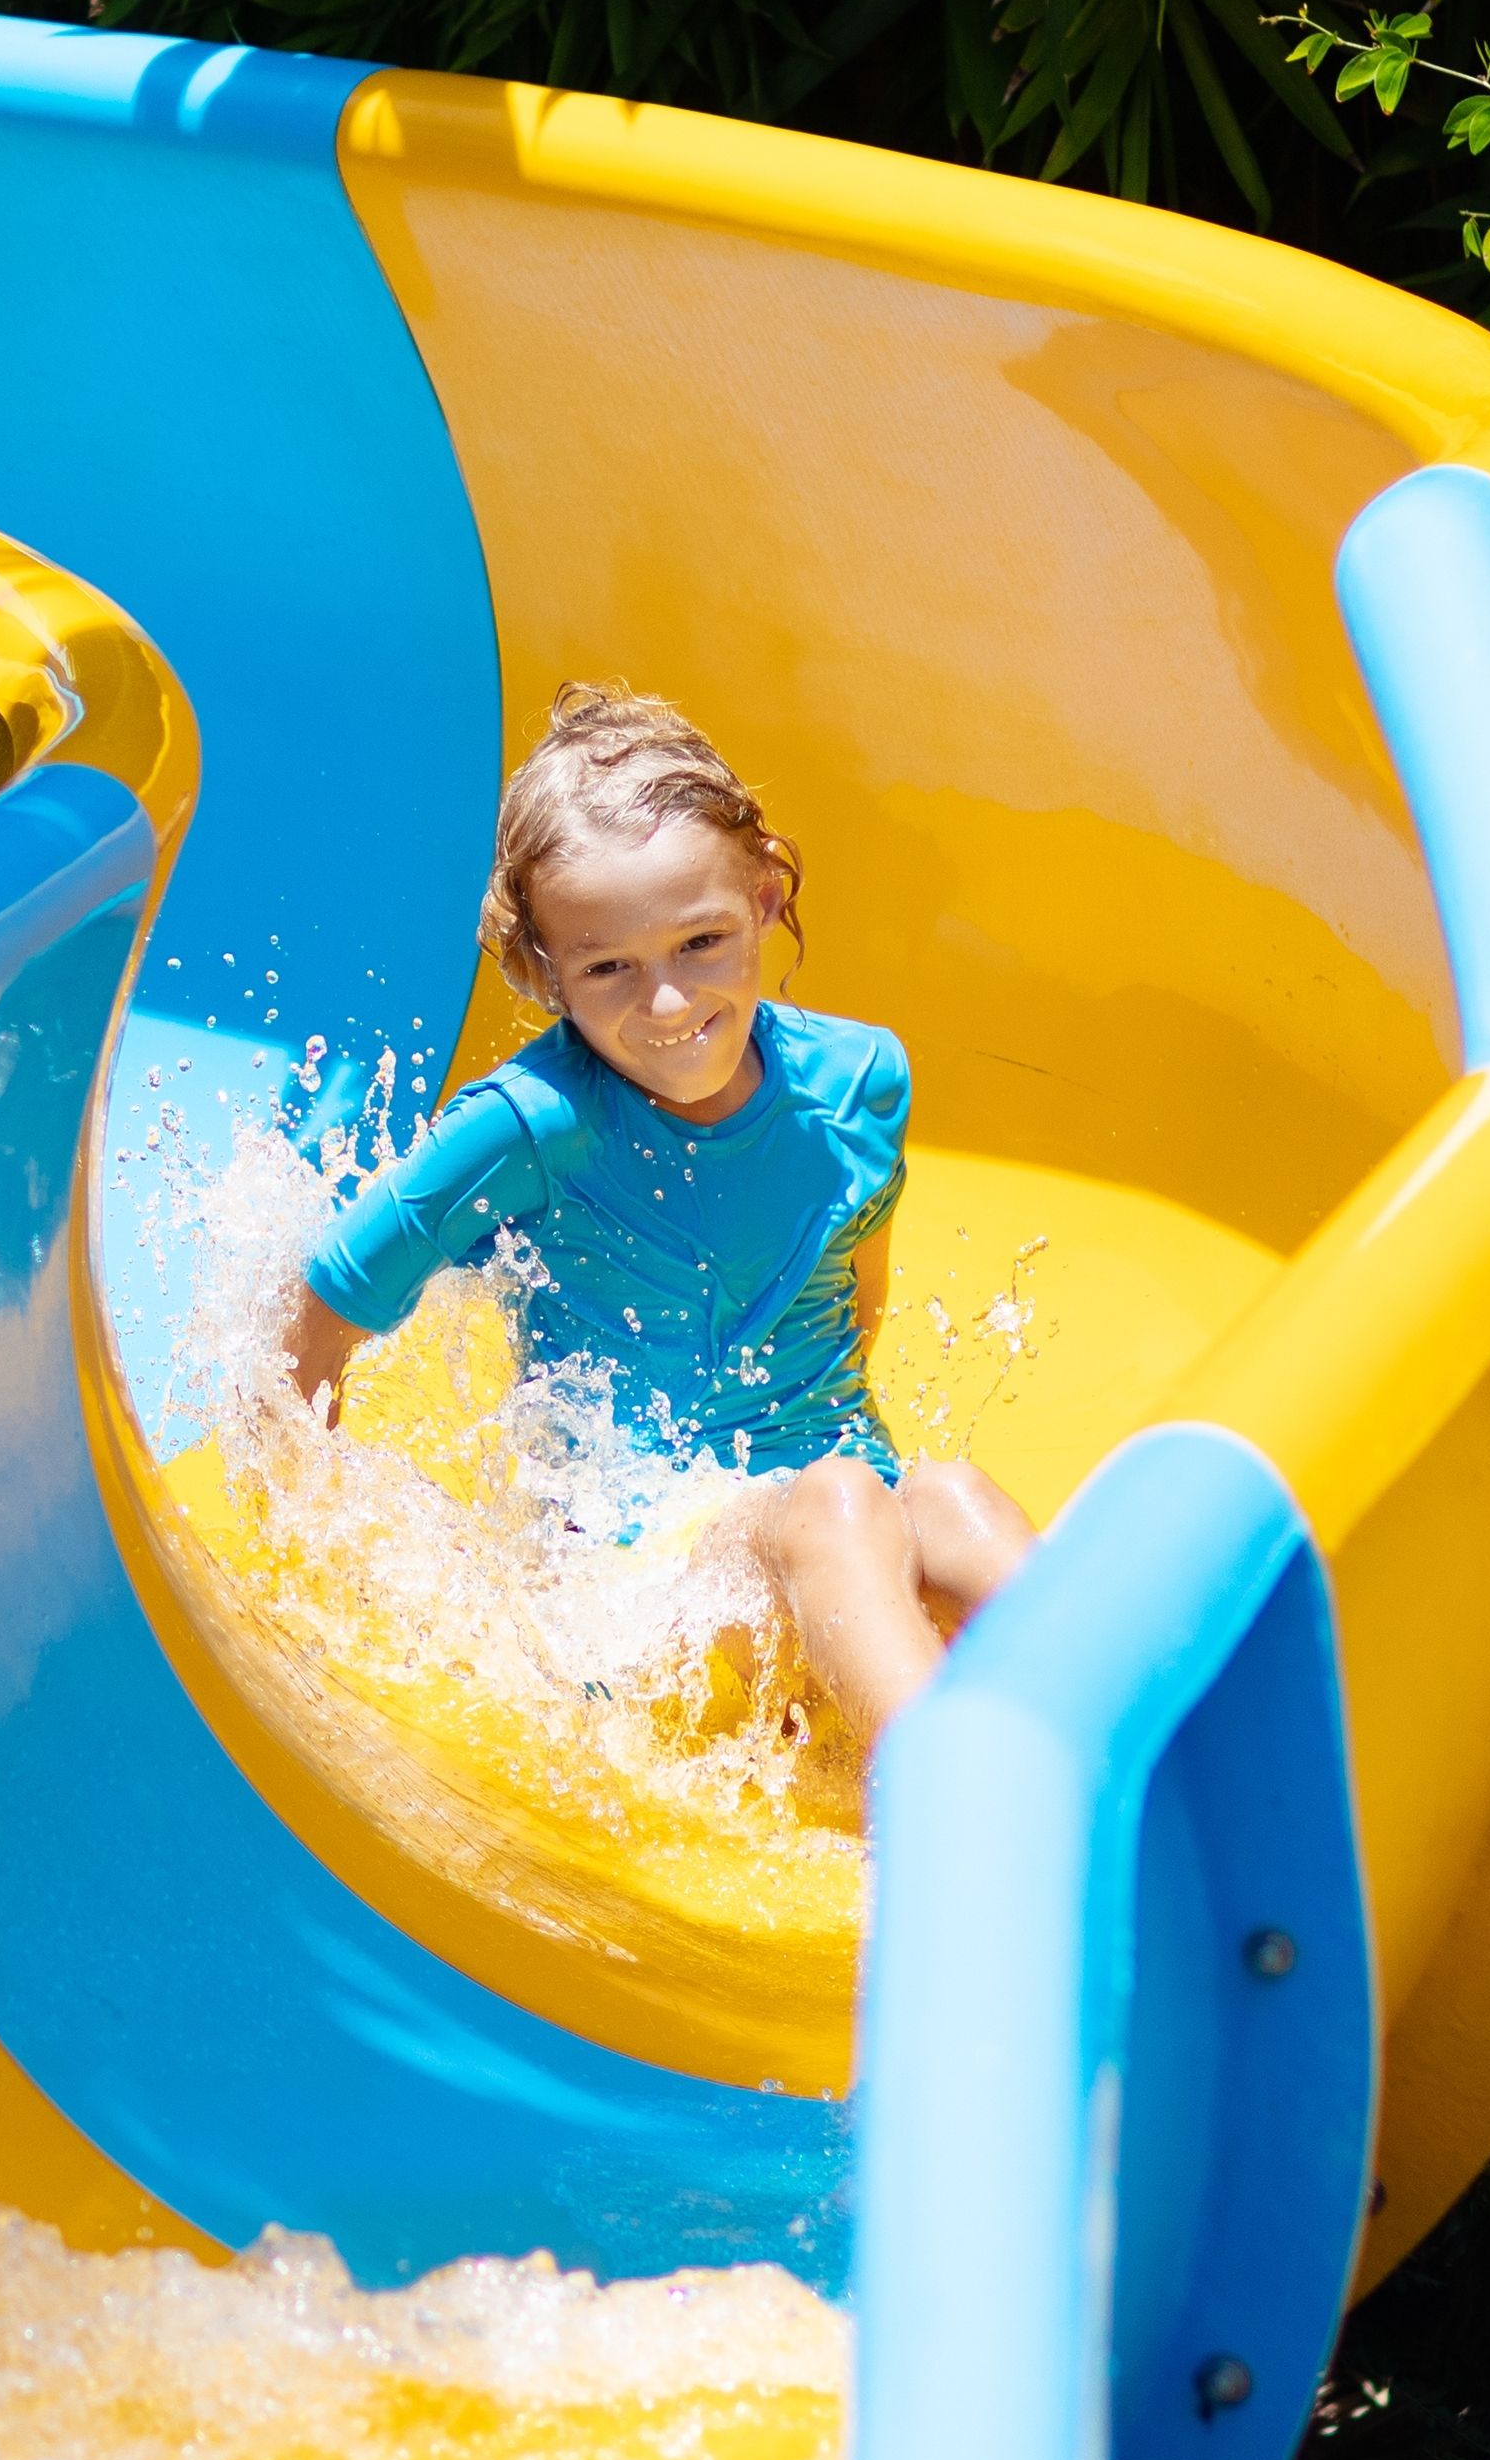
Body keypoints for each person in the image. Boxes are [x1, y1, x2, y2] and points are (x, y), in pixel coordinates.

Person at [281, 685, 1034, 1750]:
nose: (668, 1004)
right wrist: (312, 1549)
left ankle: (1163, 1767)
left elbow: (852, 1315)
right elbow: (316, 1312)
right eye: (606, 969)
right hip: (627, 1592)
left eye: (700, 942)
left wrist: (851, 1589)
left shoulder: (859, 1081)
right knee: (837, 1504)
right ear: (540, 972)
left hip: (824, 1537)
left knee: (947, 1498)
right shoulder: (525, 1130)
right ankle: (954, 1811)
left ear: (767, 895)